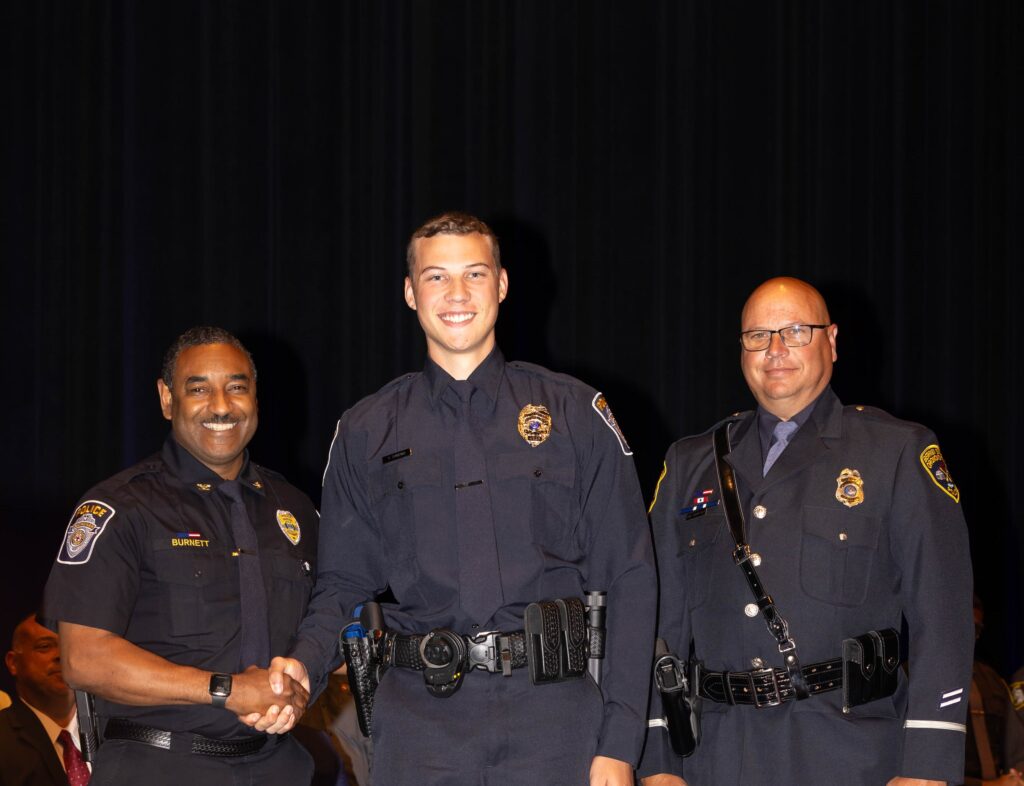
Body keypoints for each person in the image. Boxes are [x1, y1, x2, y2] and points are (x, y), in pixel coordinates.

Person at [269, 211, 657, 785]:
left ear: (501, 285)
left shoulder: (575, 413)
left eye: (474, 274)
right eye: (436, 277)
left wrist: (621, 742)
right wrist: (303, 664)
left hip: (555, 720)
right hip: (421, 724)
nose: (456, 294)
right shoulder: (367, 429)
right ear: (409, 292)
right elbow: (343, 584)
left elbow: (630, 575)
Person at [640, 277, 974, 785]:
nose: (775, 350)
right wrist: (657, 757)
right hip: (715, 758)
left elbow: (943, 617)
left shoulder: (896, 453)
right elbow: (655, 621)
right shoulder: (691, 463)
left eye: (796, 331)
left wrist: (927, 765)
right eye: (758, 335)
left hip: (848, 754)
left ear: (832, 341)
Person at [41, 327, 318, 785]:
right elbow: (84, 659)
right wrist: (225, 691)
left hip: (277, 765)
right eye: (198, 389)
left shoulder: (295, 508)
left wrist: (304, 682)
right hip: (160, 765)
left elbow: (324, 625)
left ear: (255, 395)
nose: (222, 406)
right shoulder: (120, 507)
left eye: (236, 387)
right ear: (167, 399)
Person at [0, 613, 86, 786]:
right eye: (45, 646)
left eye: (69, 646)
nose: (61, 655)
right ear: (13, 663)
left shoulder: (114, 732)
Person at [961, 596, 1024, 785]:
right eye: (964, 625)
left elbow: (1014, 748)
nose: (970, 635)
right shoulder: (913, 678)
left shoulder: (992, 680)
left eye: (976, 629)